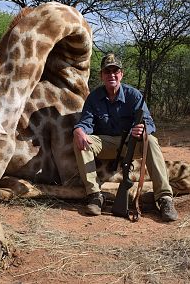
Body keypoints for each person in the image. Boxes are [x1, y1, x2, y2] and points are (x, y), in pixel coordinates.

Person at [73, 53, 178, 222]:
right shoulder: (94, 97)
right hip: (106, 143)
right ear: (101, 75)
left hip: (131, 143)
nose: (111, 75)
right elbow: (86, 122)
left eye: (115, 71)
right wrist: (78, 129)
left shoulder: (134, 95)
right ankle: (94, 195)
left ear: (121, 74)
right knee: (81, 139)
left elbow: (149, 123)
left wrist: (143, 130)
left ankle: (164, 198)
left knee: (151, 140)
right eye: (107, 72)